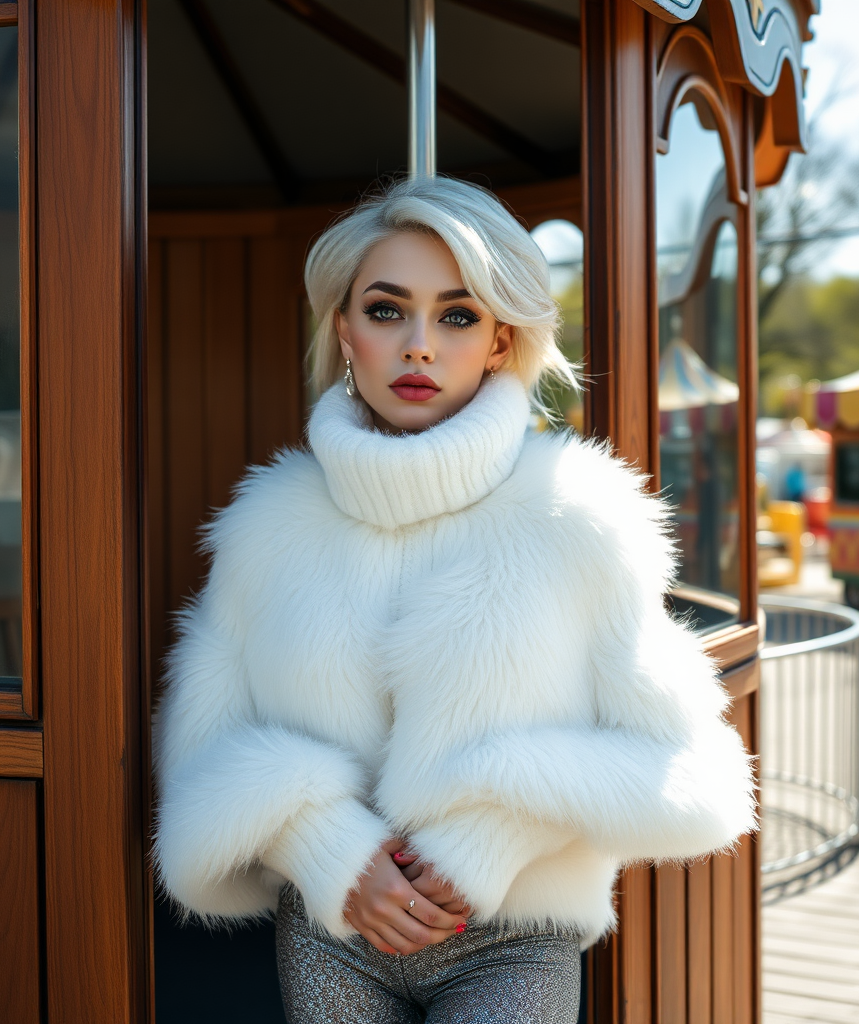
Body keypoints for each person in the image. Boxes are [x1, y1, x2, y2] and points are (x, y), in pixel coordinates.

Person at [153, 176, 755, 1024]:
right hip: (332, 933)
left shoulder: (582, 516)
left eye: (458, 315)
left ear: (503, 343)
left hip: (515, 932)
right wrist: (323, 847)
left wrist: (490, 837)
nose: (420, 345)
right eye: (388, 310)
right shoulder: (265, 528)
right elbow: (201, 762)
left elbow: (690, 773)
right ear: (344, 331)